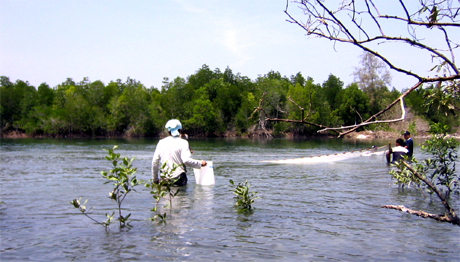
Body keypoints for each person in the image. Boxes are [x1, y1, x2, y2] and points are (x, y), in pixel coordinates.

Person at [151, 119, 206, 186]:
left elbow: (154, 162)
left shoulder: (161, 142)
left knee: (165, 196)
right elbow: (186, 160)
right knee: (181, 196)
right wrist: (200, 163)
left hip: (164, 178)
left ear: (168, 131)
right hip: (179, 178)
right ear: (180, 130)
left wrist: (155, 179)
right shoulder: (184, 142)